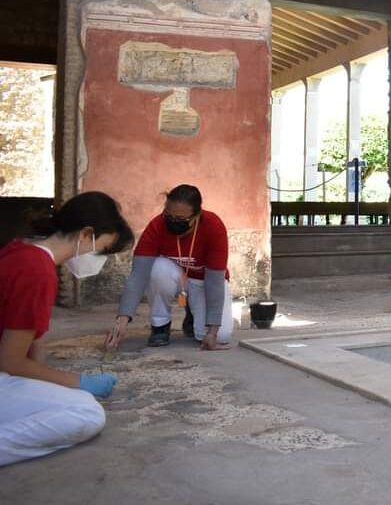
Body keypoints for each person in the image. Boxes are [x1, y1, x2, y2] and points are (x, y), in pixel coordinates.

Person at [0, 191, 134, 466]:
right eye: (102, 251)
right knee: (86, 413)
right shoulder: (37, 271)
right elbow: (11, 360)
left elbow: (28, 335)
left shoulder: (21, 249)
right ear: (86, 234)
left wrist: (44, 382)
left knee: (66, 397)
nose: (99, 259)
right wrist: (79, 382)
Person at [108, 185, 233, 350]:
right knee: (156, 267)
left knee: (221, 335)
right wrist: (122, 321)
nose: (173, 221)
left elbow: (215, 280)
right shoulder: (157, 225)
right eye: (169, 215)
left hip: (205, 281)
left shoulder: (213, 226)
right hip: (175, 277)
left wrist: (213, 331)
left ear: (197, 215)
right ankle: (160, 325)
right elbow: (138, 275)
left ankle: (193, 314)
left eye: (181, 220)